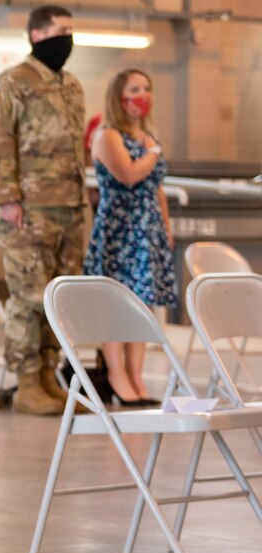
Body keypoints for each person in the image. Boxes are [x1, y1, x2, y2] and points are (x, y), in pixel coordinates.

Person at [0, 5, 86, 416]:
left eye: (72, 31)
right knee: (29, 296)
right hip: (28, 209)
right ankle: (26, 383)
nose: (69, 39)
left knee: (61, 298)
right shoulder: (13, 82)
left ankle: (47, 375)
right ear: (37, 35)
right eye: (62, 31)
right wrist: (7, 199)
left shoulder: (71, 85)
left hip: (70, 208)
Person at [83, 70, 174, 406]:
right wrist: (152, 152)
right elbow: (130, 175)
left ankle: (137, 376)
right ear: (118, 97)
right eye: (135, 89)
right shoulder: (107, 136)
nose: (143, 95)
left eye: (147, 88)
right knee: (114, 305)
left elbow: (156, 187)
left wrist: (165, 228)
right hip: (119, 229)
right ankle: (116, 375)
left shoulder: (148, 135)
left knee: (142, 306)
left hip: (147, 229)